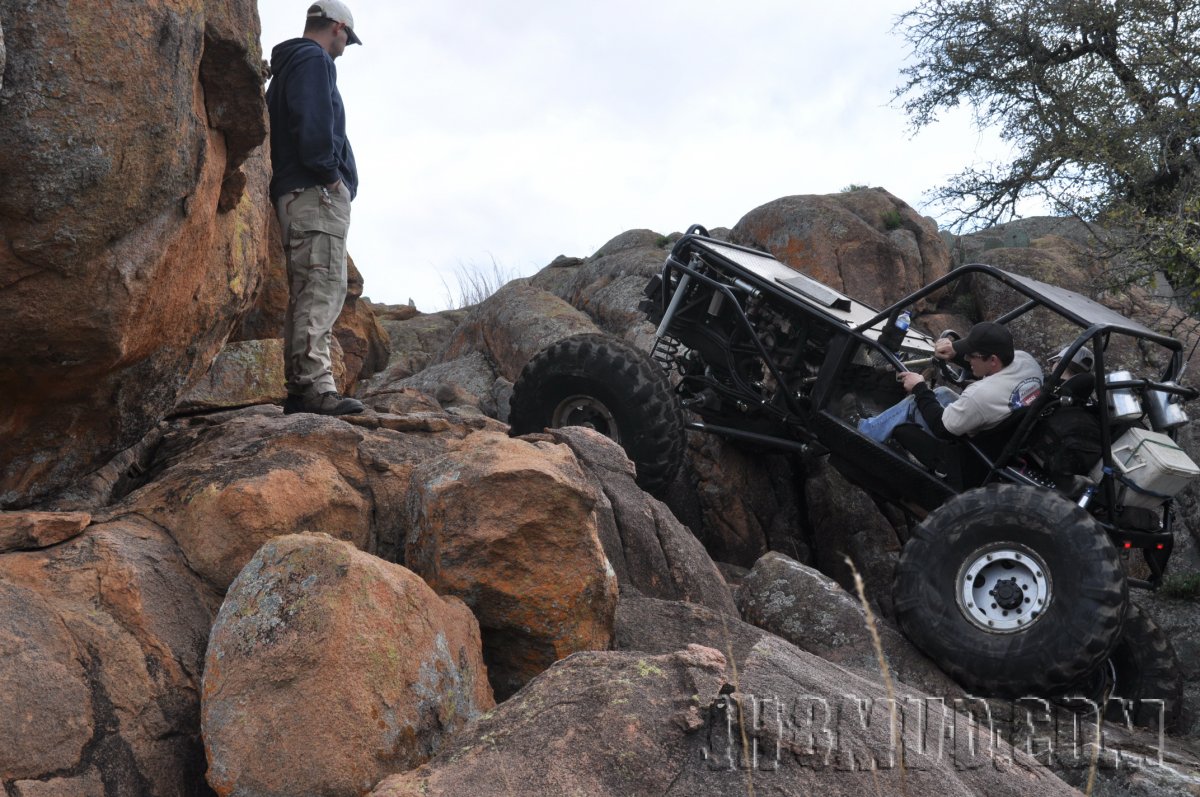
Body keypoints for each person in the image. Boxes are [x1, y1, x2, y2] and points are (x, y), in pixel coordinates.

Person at [268, 1, 365, 415]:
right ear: (338, 28)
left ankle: (301, 388)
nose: (347, 46)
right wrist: (332, 179)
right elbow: (312, 124)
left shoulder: (291, 62)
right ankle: (315, 389)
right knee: (322, 287)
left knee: (309, 287)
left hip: (299, 192)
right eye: (348, 39)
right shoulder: (314, 59)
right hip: (313, 192)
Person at [856, 322, 1043, 443]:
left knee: (916, 402)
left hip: (965, 449)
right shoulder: (1026, 361)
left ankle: (865, 432)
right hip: (1000, 431)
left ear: (993, 360)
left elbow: (941, 429)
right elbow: (987, 370)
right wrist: (955, 354)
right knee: (942, 393)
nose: (967, 358)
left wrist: (919, 387)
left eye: (971, 355)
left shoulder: (980, 396)